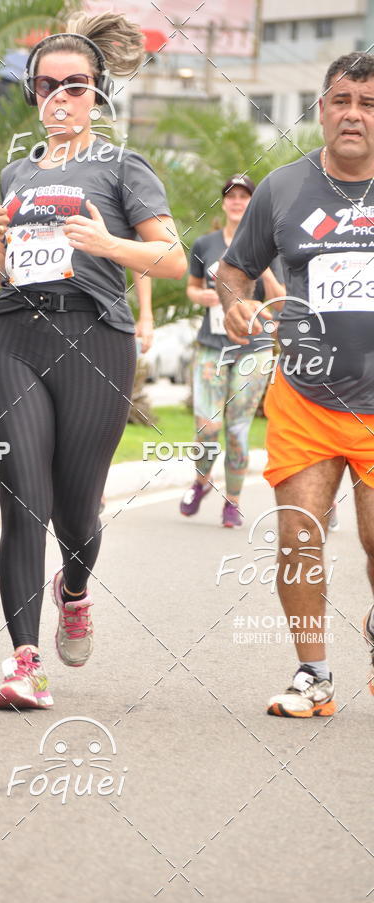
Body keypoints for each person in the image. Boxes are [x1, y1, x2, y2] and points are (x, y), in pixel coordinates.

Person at [0, 11, 186, 709]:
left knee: (78, 514)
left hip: (96, 342)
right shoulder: (17, 171)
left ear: (98, 92)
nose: (60, 97)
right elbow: (18, 268)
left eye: (76, 85)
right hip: (13, 337)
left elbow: (173, 257)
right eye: (47, 86)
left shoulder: (125, 167)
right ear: (32, 95)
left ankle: (76, 587)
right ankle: (24, 659)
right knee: (23, 499)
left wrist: (108, 244)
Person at [217, 51, 374, 717]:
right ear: (320, 109)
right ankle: (314, 673)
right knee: (298, 537)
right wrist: (234, 301)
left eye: (368, 104)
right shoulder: (283, 188)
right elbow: (234, 269)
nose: (354, 115)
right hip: (306, 395)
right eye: (342, 101)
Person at [181, 175, 285, 527]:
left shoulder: (271, 243)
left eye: (244, 196)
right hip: (211, 346)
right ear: (223, 202)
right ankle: (201, 481)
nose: (237, 202)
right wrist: (208, 296)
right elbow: (192, 289)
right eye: (231, 196)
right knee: (207, 426)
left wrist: (265, 267)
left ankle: (233, 501)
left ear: (253, 202)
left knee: (238, 430)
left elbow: (282, 301)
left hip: (252, 348)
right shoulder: (206, 244)